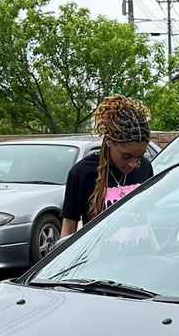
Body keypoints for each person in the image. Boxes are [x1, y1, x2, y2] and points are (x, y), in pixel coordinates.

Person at [60, 94, 154, 238]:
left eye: (139, 157)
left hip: (141, 257)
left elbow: (148, 222)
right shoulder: (82, 173)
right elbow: (68, 229)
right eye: (126, 156)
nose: (133, 164)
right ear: (109, 141)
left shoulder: (145, 168)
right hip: (99, 259)